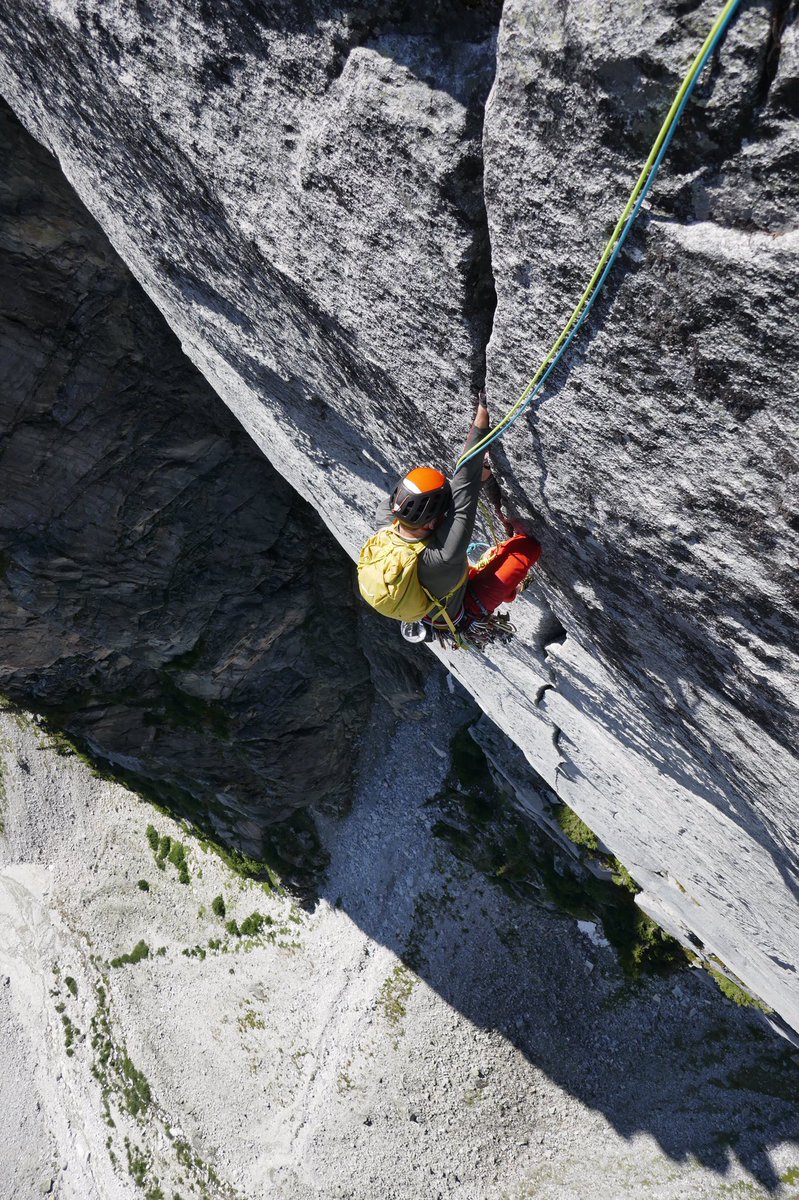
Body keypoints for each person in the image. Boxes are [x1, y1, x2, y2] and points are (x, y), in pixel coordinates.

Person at [373, 394, 541, 645]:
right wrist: (484, 410)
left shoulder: (386, 518)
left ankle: (505, 589)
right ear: (431, 524)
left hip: (430, 594)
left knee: (489, 576)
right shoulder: (445, 553)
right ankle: (507, 591)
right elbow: (465, 481)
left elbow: (458, 488)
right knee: (526, 549)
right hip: (460, 608)